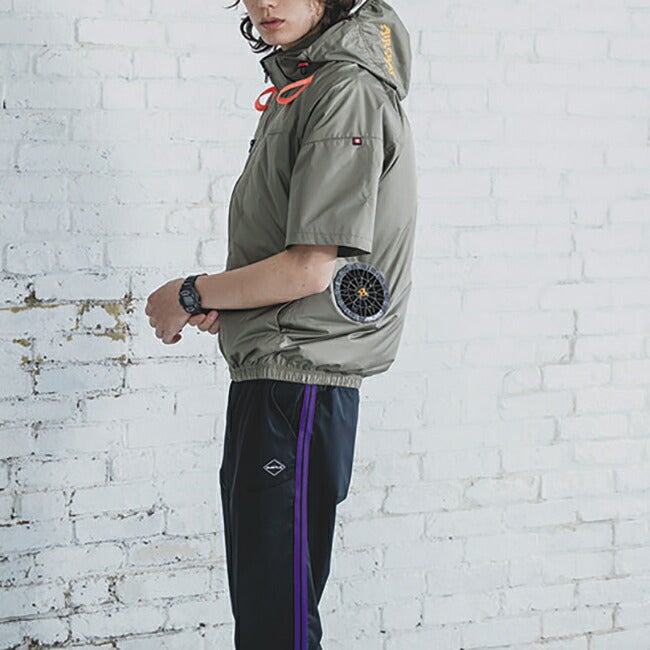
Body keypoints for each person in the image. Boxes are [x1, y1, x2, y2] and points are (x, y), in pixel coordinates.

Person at [145, 0, 416, 647]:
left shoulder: (345, 89)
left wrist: (191, 292)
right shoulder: (307, 85)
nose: (266, 2)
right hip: (279, 377)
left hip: (299, 383)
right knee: (268, 614)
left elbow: (309, 269)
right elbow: (290, 256)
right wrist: (235, 301)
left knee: (277, 625)